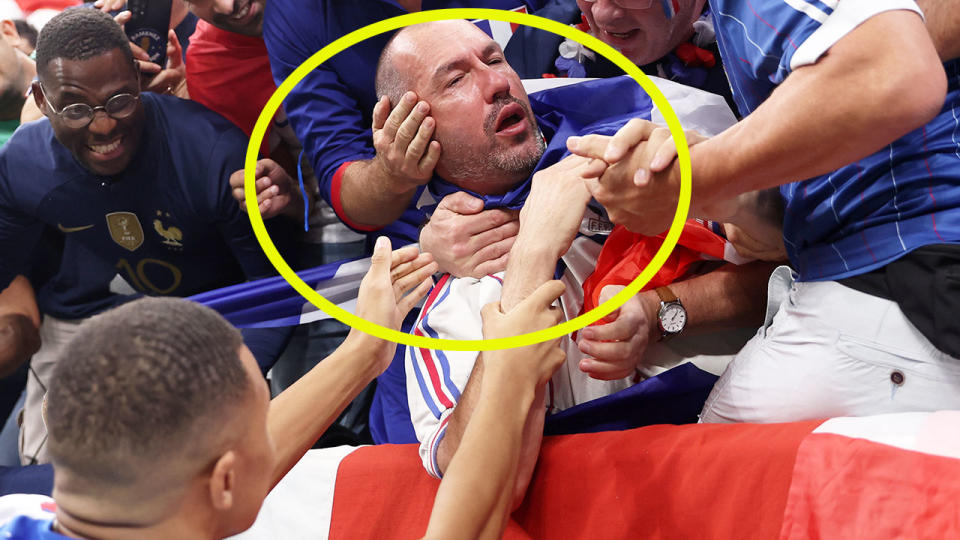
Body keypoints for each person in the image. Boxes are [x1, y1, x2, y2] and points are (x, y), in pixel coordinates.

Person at [352, 20, 775, 496]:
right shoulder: (452, 303)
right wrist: (534, 250)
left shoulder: (630, 149)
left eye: (494, 60)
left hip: (762, 457)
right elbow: (482, 488)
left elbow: (795, 274)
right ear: (414, 132)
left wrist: (662, 313)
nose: (497, 83)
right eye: (455, 80)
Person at [567, 1, 960, 421]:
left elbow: (899, 70)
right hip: (864, 270)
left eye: (494, 58)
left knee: (702, 467)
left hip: (911, 272)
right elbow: (786, 234)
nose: (605, 14)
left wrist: (699, 177)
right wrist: (726, 199)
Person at [0, 8, 294, 465]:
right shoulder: (23, 165)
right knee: (56, 486)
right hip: (88, 323)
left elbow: (275, 299)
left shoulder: (213, 154)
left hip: (213, 322)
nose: (102, 125)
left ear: (138, 80)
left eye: (119, 100)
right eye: (76, 107)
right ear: (40, 98)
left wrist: (206, 398)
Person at [0, 236, 440, 539]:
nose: (274, 438)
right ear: (225, 480)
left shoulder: (13, 514)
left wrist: (363, 353)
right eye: (260, 427)